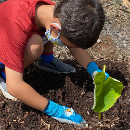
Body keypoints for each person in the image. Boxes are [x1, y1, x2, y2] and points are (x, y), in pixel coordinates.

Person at [0, 0, 109, 128]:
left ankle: (46, 60)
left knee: (45, 37)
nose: (67, 47)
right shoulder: (17, 25)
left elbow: (73, 45)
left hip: (17, 32)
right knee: (35, 46)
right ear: (56, 27)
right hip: (7, 39)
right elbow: (14, 86)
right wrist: (54, 109)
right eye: (66, 44)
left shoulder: (55, 12)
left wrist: (93, 69)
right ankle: (4, 73)